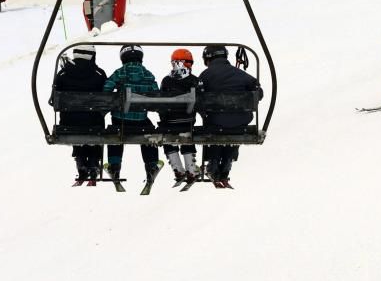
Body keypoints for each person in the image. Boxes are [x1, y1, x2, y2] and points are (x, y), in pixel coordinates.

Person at [199, 44, 262, 184]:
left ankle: (213, 164)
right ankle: (226, 165)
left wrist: (205, 114)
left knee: (215, 127)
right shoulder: (241, 74)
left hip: (215, 124)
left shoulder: (205, 75)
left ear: (208, 59)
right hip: (240, 123)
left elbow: (196, 97)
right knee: (233, 128)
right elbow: (259, 92)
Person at [102, 45, 161, 183]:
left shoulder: (120, 73)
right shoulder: (148, 74)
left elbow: (106, 89)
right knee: (149, 130)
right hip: (140, 121)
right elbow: (156, 95)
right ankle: (151, 165)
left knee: (115, 131)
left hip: (120, 120)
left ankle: (114, 165)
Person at [53, 45, 107, 183]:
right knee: (93, 121)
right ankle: (94, 162)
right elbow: (106, 97)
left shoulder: (63, 74)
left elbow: (54, 98)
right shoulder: (99, 74)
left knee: (75, 120)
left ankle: (81, 164)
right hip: (94, 123)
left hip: (68, 123)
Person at [158, 48, 199, 184]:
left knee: (167, 136)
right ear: (187, 63)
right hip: (188, 121)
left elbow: (160, 103)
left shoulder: (166, 81)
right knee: (187, 133)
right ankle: (191, 169)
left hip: (168, 123)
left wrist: (164, 118)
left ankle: (178, 169)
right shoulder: (194, 80)